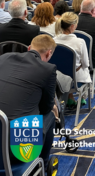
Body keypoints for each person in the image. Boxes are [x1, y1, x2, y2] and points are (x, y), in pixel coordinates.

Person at [0, 35, 57, 169]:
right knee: (50, 115)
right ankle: (42, 163)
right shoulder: (48, 69)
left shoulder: (4, 57)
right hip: (18, 149)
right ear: (49, 53)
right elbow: (45, 108)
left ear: (29, 48)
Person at [54, 12, 91, 107]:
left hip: (56, 79)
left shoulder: (53, 40)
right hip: (75, 80)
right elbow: (86, 64)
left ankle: (70, 97)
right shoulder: (80, 42)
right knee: (84, 68)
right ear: (73, 26)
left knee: (66, 68)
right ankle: (83, 97)